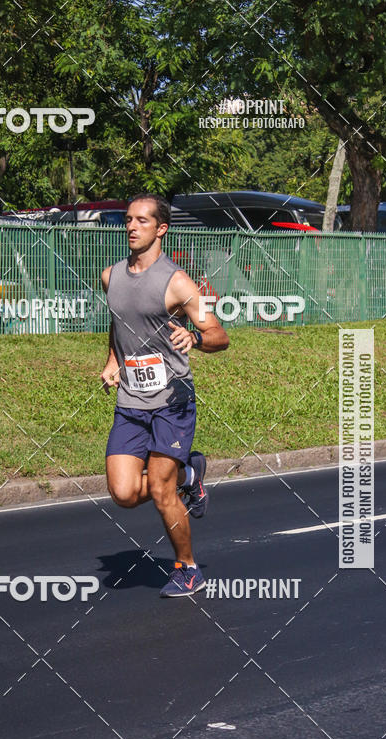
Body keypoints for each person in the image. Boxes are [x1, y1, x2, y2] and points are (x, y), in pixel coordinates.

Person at [100, 193, 229, 597]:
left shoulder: (176, 282)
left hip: (172, 402)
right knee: (123, 493)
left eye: (142, 220)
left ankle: (187, 567)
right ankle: (190, 473)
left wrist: (194, 337)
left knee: (159, 489)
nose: (132, 226)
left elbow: (219, 337)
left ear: (161, 229)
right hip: (132, 402)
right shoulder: (110, 276)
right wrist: (112, 360)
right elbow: (121, 324)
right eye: (128, 220)